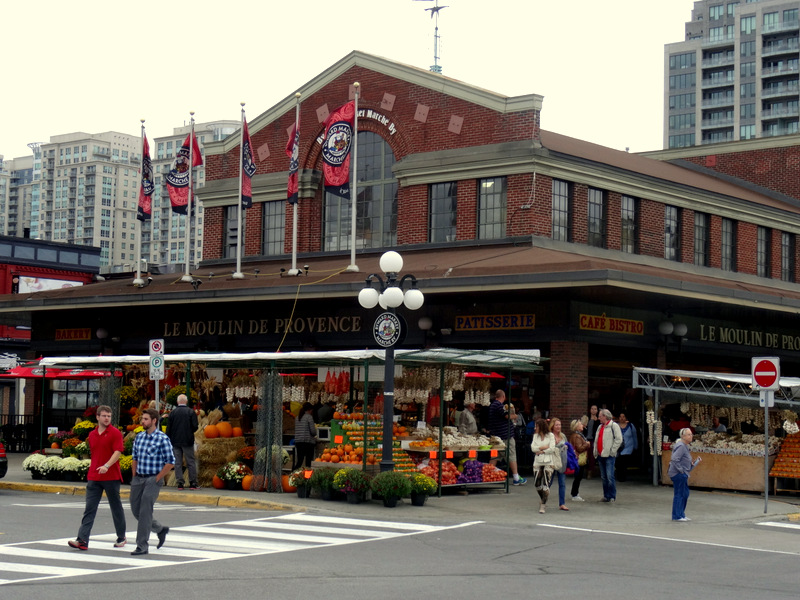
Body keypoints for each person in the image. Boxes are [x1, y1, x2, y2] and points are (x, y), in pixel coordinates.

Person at [67, 405, 127, 551]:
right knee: (89, 509)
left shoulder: (115, 433)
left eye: (109, 416)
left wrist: (106, 465)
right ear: (98, 417)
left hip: (111, 477)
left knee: (116, 507)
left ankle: (121, 537)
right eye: (104, 416)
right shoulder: (92, 435)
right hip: (94, 476)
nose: (107, 418)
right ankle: (82, 540)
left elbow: (118, 452)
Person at [130, 408, 175, 556]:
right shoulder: (139, 437)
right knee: (136, 510)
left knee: (144, 512)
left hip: (152, 479)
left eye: (146, 419)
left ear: (154, 421)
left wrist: (157, 478)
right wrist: (134, 476)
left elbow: (170, 462)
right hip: (138, 478)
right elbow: (134, 458)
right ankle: (160, 529)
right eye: (142, 419)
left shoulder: (162, 439)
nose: (142, 421)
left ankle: (142, 545)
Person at [488, 390, 526, 485]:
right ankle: (516, 477)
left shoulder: (492, 405)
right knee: (511, 455)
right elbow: (506, 416)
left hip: (496, 437)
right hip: (506, 437)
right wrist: (515, 416)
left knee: (495, 456)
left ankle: (488, 475)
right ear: (503, 396)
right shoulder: (499, 406)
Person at [166, 393, 199, 490]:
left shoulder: (172, 413)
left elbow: (169, 429)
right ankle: (193, 483)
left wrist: (170, 438)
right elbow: (195, 426)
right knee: (190, 462)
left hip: (175, 441)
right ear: (186, 401)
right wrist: (189, 432)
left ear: (177, 402)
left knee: (178, 462)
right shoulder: (191, 412)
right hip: (187, 440)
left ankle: (180, 483)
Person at [668, 427, 701, 521]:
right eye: (689, 434)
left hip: (684, 473)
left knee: (685, 494)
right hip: (678, 474)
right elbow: (675, 459)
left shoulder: (685, 446)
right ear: (683, 436)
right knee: (679, 494)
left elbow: (682, 458)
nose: (691, 436)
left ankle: (681, 514)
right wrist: (681, 470)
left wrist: (690, 463)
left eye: (691, 434)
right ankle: (677, 515)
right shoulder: (681, 446)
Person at [593, 408, 623, 503]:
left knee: (610, 476)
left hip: (609, 455)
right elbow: (597, 440)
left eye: (600, 416)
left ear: (604, 416)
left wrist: (612, 451)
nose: (598, 418)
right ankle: (606, 496)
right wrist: (596, 451)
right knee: (604, 477)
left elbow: (619, 439)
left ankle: (612, 496)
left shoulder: (614, 426)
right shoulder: (600, 427)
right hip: (600, 455)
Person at [530, 418, 557, 513]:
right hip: (538, 461)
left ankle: (543, 505)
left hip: (549, 461)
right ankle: (543, 498)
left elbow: (552, 448)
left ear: (541, 427)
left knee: (546, 484)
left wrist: (541, 451)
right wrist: (543, 447)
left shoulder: (550, 435)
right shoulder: (535, 436)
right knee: (537, 484)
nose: (534, 428)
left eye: (536, 426)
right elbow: (533, 448)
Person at [549, 418, 570, 511]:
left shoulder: (563, 436)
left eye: (560, 425)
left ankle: (562, 504)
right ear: (552, 426)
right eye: (557, 425)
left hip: (562, 461)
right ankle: (543, 500)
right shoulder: (549, 436)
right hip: (552, 461)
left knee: (562, 483)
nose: (558, 427)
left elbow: (567, 446)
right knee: (549, 482)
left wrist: (566, 447)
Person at [568, 418, 591, 502]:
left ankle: (575, 493)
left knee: (578, 476)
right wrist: (587, 444)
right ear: (577, 426)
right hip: (579, 458)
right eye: (580, 424)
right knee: (578, 477)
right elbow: (579, 448)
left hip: (578, 458)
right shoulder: (577, 436)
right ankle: (574, 494)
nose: (582, 425)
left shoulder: (578, 435)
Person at [293, 402, 317, 469]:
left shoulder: (297, 417)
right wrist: (315, 434)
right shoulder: (309, 417)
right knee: (308, 463)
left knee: (299, 461)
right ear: (310, 410)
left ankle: (293, 475)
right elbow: (313, 432)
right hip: (307, 442)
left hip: (298, 442)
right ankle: (307, 477)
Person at [616, 413, 638, 483]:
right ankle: (619, 475)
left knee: (624, 462)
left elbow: (634, 436)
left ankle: (623, 476)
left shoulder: (631, 426)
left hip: (628, 447)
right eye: (620, 417)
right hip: (618, 448)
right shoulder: (615, 426)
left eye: (623, 416)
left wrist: (635, 446)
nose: (622, 418)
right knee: (618, 463)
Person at [585, 404, 600, 478]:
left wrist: (596, 421)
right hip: (586, 439)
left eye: (595, 409)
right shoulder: (586, 419)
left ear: (597, 410)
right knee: (585, 455)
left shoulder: (598, 420)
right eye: (592, 408)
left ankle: (590, 472)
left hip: (593, 440)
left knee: (592, 456)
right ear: (590, 410)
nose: (593, 410)